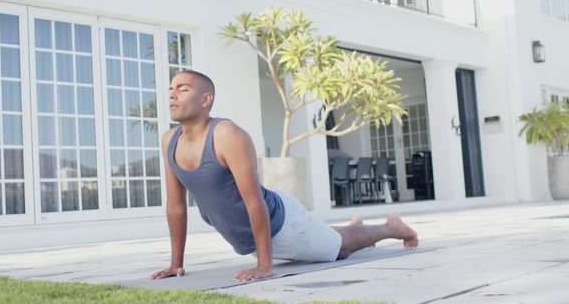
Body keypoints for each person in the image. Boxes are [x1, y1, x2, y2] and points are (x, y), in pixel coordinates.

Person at [150, 70, 419, 282]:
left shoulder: (226, 134)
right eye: (171, 89)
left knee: (341, 250)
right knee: (328, 240)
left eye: (182, 89)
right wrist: (176, 264)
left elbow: (253, 200)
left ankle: (391, 228)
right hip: (258, 237)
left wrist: (264, 266)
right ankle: (353, 228)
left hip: (280, 224)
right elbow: (175, 206)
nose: (172, 95)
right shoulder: (169, 141)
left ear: (206, 100)